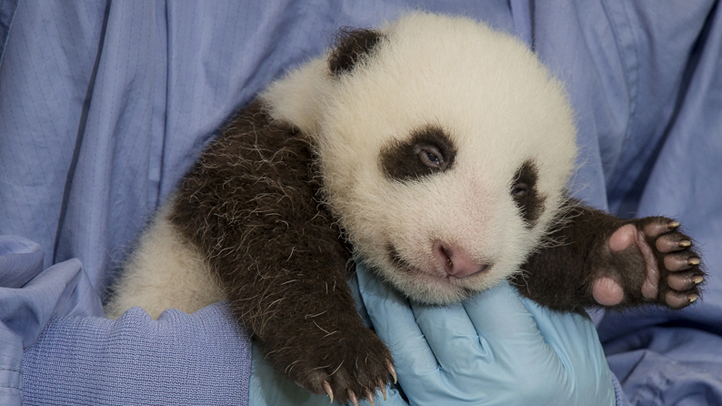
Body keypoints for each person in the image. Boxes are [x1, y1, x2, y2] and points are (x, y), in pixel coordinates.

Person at [1, 1, 720, 405]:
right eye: (429, 156)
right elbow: (277, 254)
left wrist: (594, 266)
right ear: (347, 71)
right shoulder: (279, 145)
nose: (470, 243)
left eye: (523, 193)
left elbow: (519, 233)